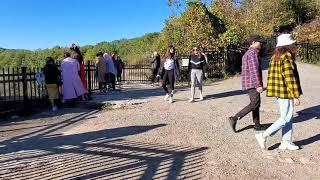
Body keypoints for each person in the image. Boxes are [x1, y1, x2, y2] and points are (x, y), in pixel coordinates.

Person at [255, 34, 302, 150]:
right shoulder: (286, 57)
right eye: (292, 44)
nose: (294, 45)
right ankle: (263, 135)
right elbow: (289, 78)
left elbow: (271, 76)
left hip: (279, 91)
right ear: (287, 45)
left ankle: (286, 141)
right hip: (285, 92)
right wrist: (295, 95)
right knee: (286, 118)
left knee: (288, 116)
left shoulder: (275, 56)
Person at [228, 35, 266, 132]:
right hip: (253, 83)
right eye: (259, 42)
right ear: (253, 42)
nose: (261, 44)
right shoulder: (253, 53)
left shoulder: (248, 53)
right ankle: (234, 118)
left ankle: (257, 125)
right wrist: (258, 85)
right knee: (254, 104)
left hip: (249, 83)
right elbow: (254, 70)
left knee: (256, 104)